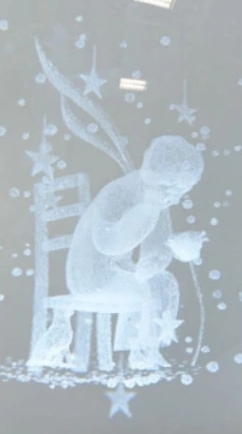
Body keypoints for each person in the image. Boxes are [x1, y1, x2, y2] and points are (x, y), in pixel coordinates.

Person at [39, 136, 206, 372]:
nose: (178, 198)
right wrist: (147, 211)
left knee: (165, 282)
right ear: (155, 176)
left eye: (184, 191)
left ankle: (147, 350)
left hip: (119, 271)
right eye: (175, 189)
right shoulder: (118, 193)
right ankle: (136, 353)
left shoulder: (156, 199)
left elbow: (159, 244)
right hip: (91, 276)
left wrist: (167, 254)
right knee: (148, 291)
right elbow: (109, 245)